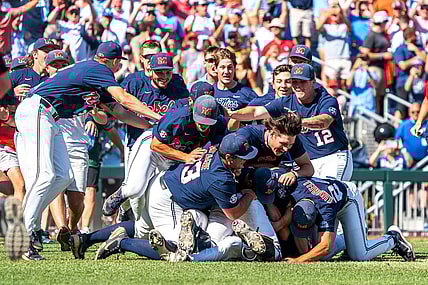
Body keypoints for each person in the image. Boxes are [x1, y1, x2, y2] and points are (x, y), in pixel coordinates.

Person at [14, 41, 160, 261]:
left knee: (63, 177)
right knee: (45, 175)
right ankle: (24, 237)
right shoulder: (98, 69)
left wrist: (150, 126)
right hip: (37, 110)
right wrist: (159, 117)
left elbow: (119, 111)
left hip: (50, 116)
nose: (118, 65)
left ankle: (29, 225)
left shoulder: (95, 76)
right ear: (113, 61)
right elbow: (124, 99)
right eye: (118, 61)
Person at [103, 95, 228, 217]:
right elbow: (155, 145)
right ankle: (121, 197)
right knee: (135, 190)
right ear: (193, 110)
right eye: (200, 119)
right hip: (153, 148)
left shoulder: (219, 123)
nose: (204, 124)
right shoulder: (179, 117)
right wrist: (185, 157)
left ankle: (130, 215)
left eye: (208, 121)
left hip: (176, 156)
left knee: (158, 196)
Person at [229, 63, 353, 181]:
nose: (298, 86)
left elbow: (324, 121)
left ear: (313, 82)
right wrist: (232, 114)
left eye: (303, 81)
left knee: (330, 193)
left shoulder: (326, 100)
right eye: (295, 82)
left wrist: (298, 122)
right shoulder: (286, 101)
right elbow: (255, 112)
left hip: (333, 156)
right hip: (308, 161)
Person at [259, 174, 416, 262]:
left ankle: (393, 238)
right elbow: (290, 209)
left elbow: (325, 246)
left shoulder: (325, 208)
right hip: (321, 196)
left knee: (360, 254)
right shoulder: (290, 186)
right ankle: (352, 237)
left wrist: (298, 261)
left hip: (347, 200)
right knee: (318, 254)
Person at [359, 11, 393, 115]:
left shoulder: (383, 34)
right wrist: (383, 55)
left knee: (380, 97)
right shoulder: (371, 36)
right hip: (374, 69)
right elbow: (364, 55)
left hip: (383, 69)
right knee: (374, 96)